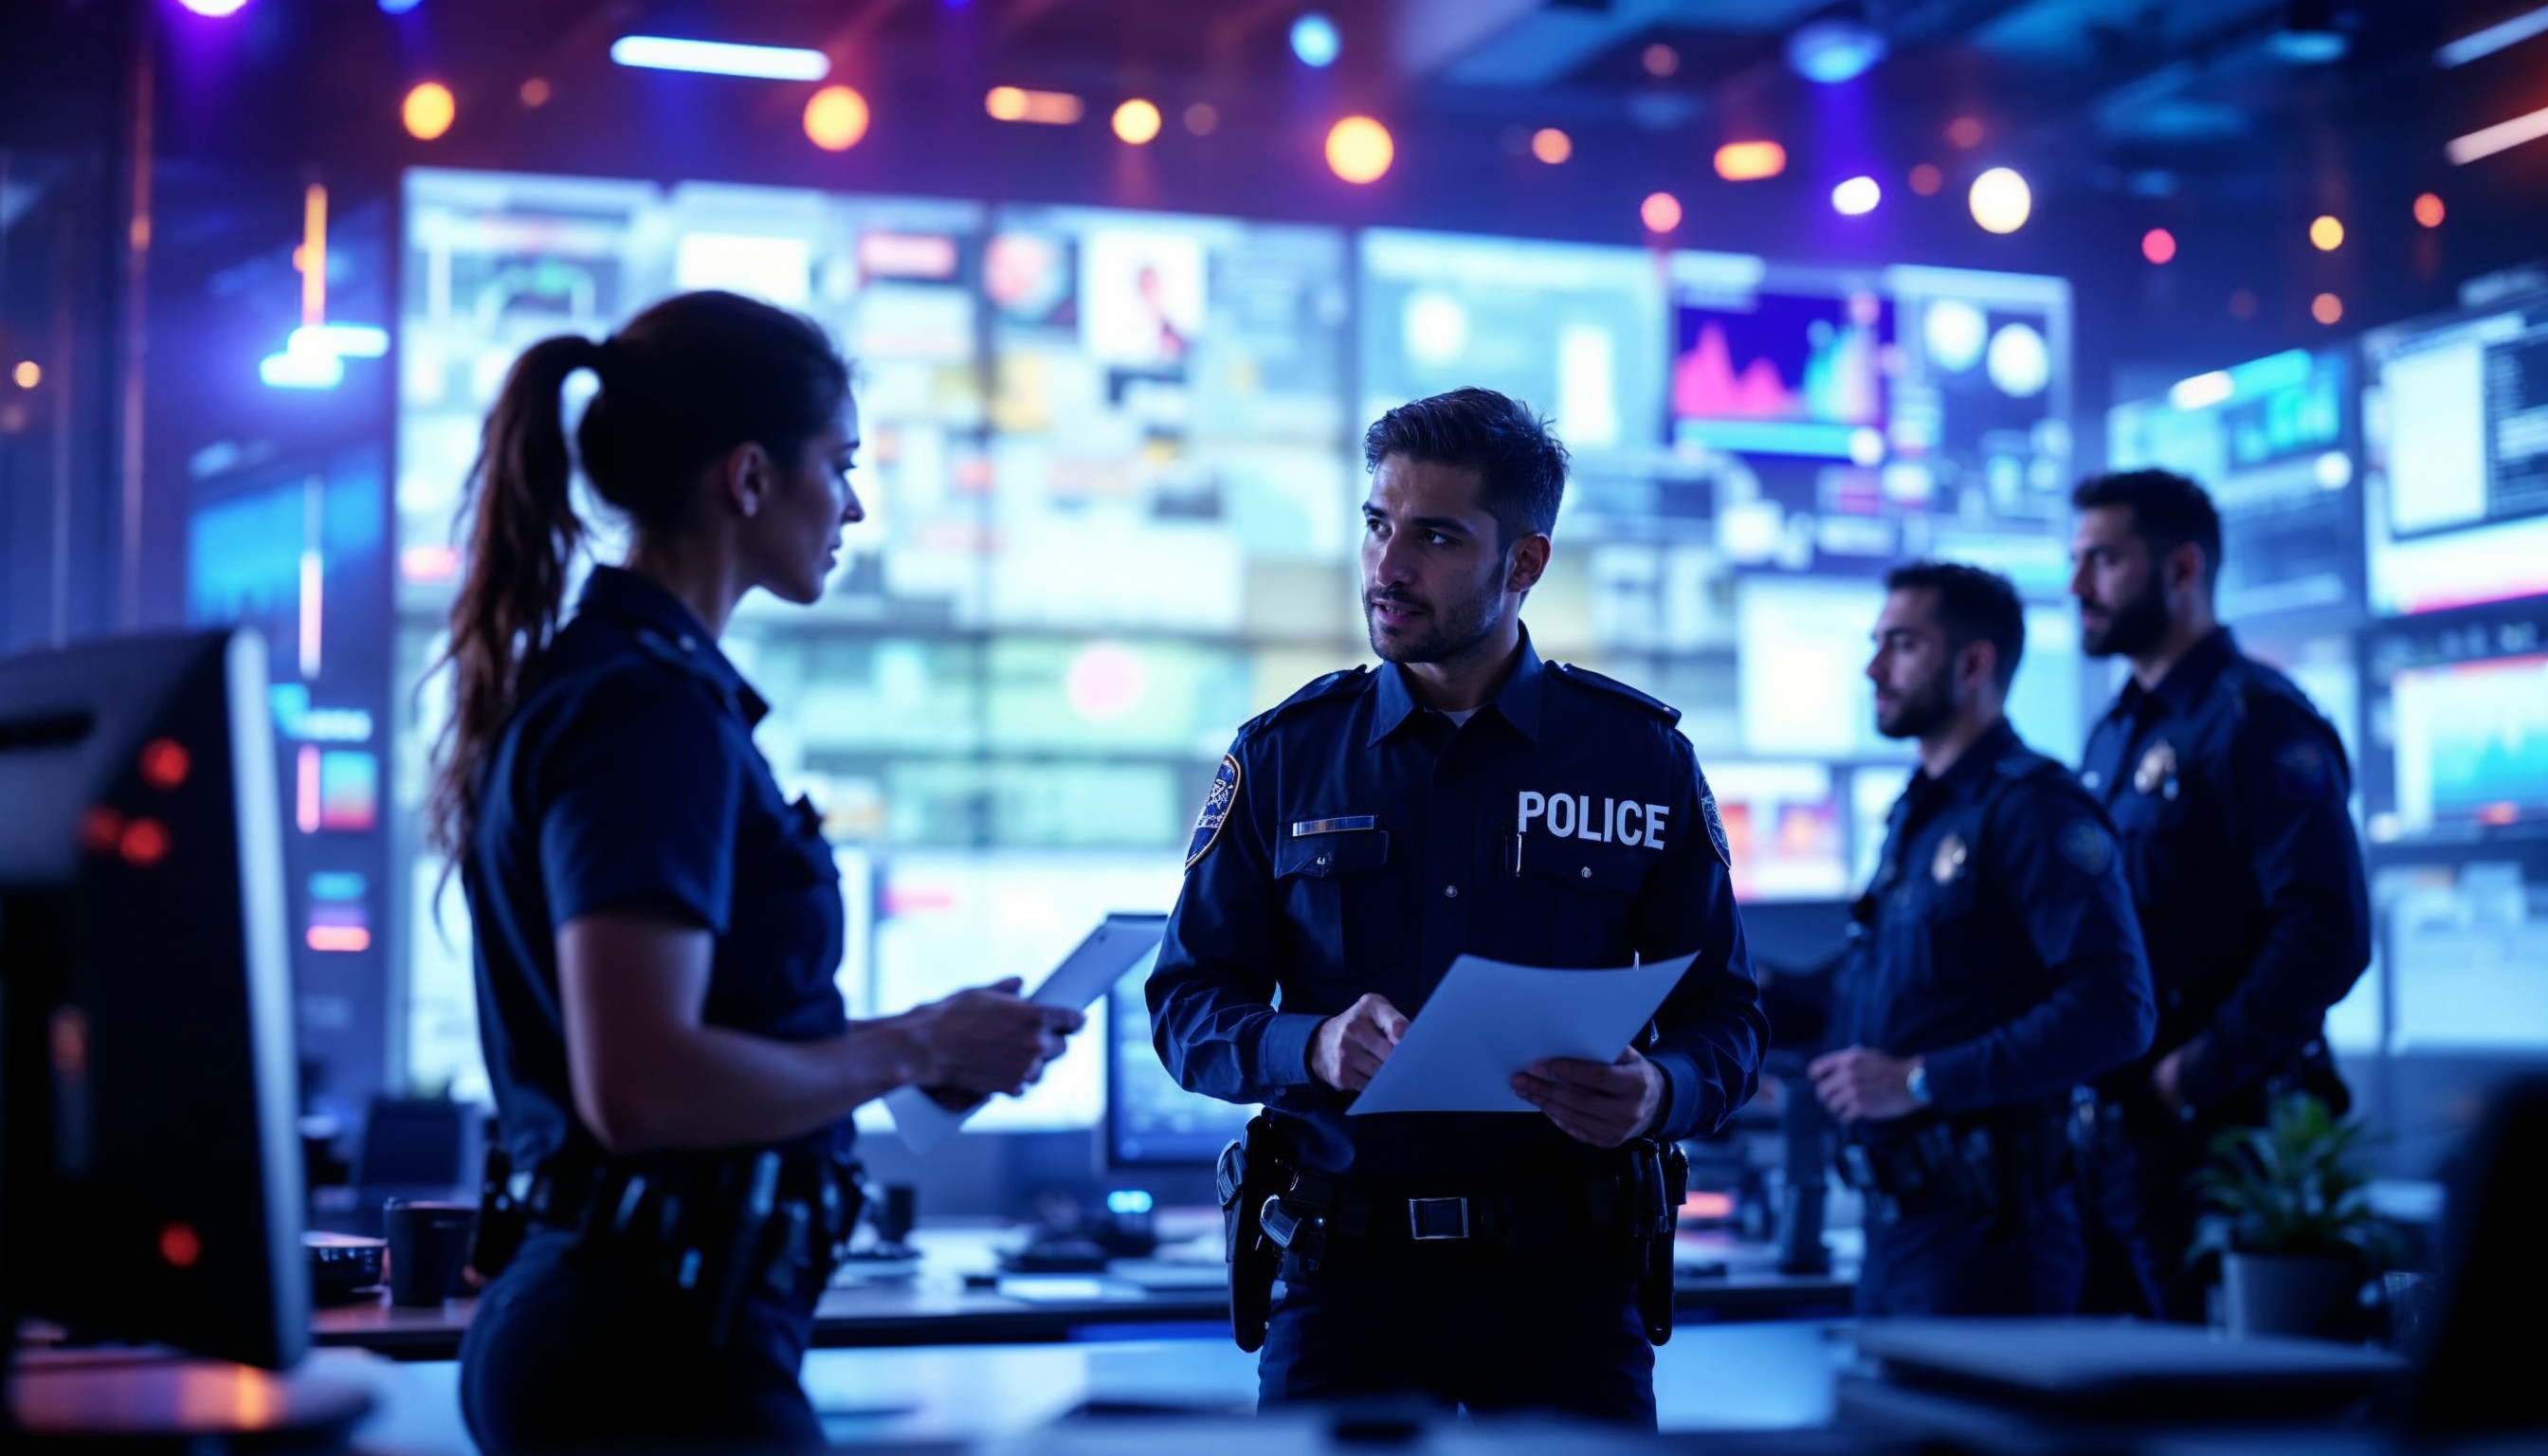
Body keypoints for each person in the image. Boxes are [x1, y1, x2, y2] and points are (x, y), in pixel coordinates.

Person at [430, 290, 1084, 1452]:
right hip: (649, 1351)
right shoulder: (647, 713)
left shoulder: (621, 687)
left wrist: (924, 1035)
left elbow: (682, 1043)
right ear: (746, 478)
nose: (855, 506)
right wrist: (914, 1049)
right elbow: (640, 1089)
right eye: (839, 466)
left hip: (648, 1330)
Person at [1146, 387, 1767, 1428]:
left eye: (1433, 536)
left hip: (1566, 1288)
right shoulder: (1285, 755)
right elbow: (1185, 1007)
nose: (1388, 567)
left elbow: (1729, 1018)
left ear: (1524, 563)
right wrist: (1311, 1044)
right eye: (1378, 526)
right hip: (1346, 1290)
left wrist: (1660, 1090)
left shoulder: (1638, 759)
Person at [2067, 469, 2371, 1322]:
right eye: (2076, 560)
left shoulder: (2259, 721)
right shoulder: (2120, 730)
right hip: (2114, 1147)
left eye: (2103, 560)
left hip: (2221, 1140)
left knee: (2216, 1424)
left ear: (2183, 569)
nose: (2077, 586)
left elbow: (2327, 930)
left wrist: (2188, 1078)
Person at [1813, 561, 2155, 1318]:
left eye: (1901, 645)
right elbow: (1891, 997)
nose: (1874, 668)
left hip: (1993, 1238)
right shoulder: (1921, 813)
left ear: (1973, 662)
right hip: (1898, 1231)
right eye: (1877, 644)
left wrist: (1920, 1081)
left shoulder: (2034, 808)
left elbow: (2115, 1009)